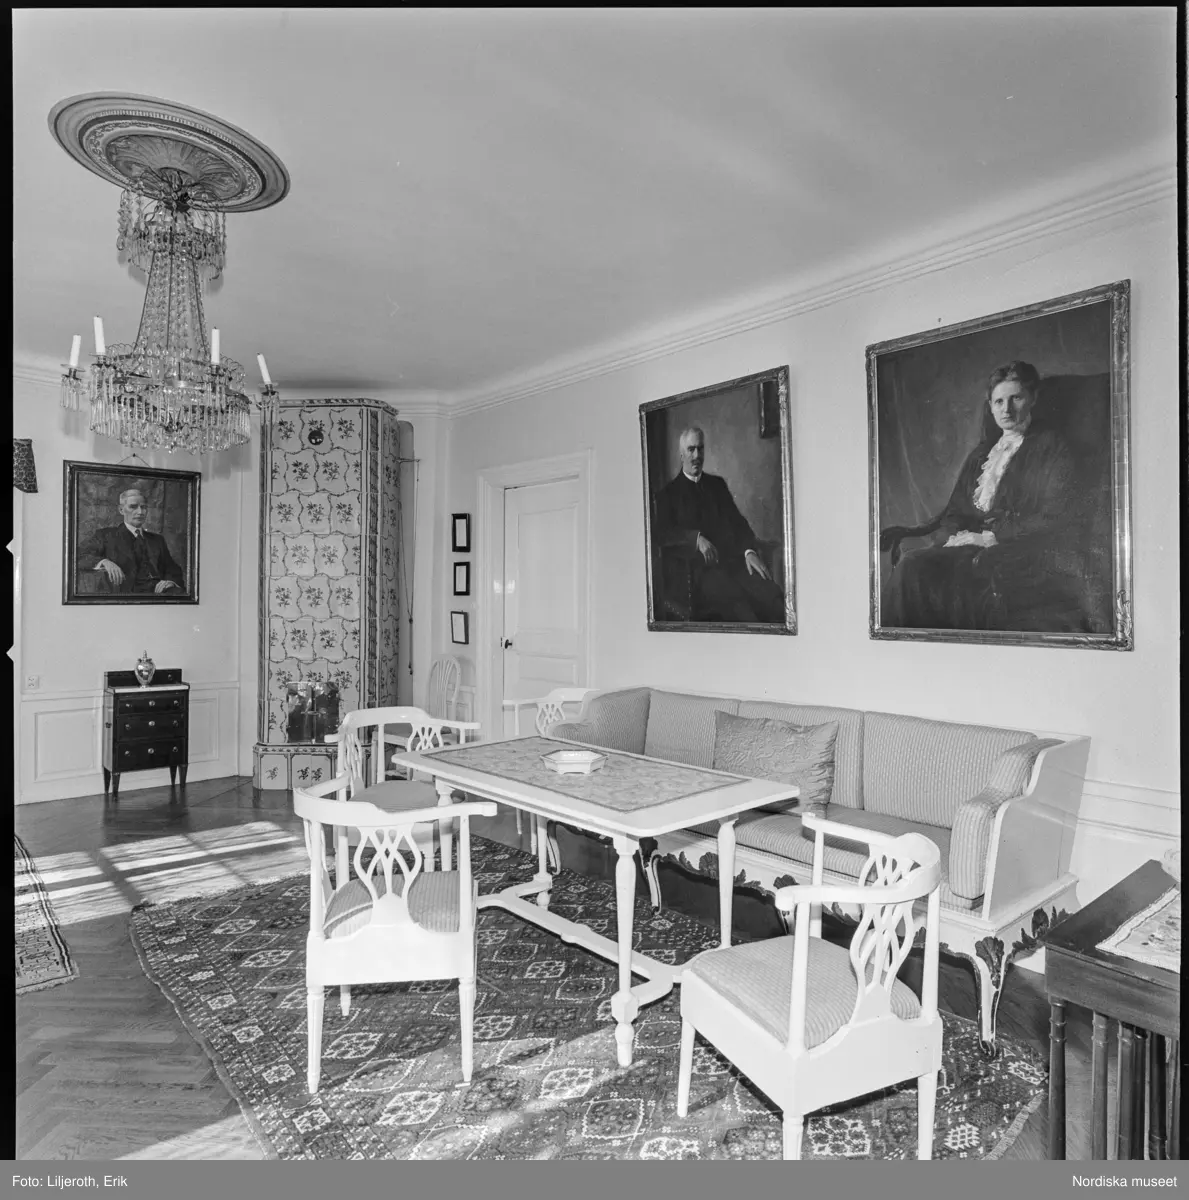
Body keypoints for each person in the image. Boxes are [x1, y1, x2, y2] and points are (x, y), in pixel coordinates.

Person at [882, 360, 1080, 631]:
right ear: (991, 406)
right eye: (999, 402)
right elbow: (955, 511)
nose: (1006, 409)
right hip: (969, 549)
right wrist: (953, 537)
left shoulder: (1051, 447)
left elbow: (1054, 515)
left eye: (1016, 398)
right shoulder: (981, 454)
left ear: (1033, 398)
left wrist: (992, 537)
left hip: (1018, 551)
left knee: (914, 567)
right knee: (915, 567)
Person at [653, 425, 785, 623]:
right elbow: (663, 534)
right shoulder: (667, 495)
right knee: (742, 610)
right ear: (681, 455)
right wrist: (696, 539)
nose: (696, 455)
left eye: (700, 449)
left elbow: (738, 523)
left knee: (772, 597)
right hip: (700, 574)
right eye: (691, 449)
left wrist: (749, 551)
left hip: (735, 564)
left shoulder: (717, 485)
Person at [78, 487, 186, 595]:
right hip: (125, 594)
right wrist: (104, 562)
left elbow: (173, 569)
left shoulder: (157, 540)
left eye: (143, 507)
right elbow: (80, 556)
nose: (140, 512)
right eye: (133, 507)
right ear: (121, 510)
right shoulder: (106, 536)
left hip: (158, 593)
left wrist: (170, 582)